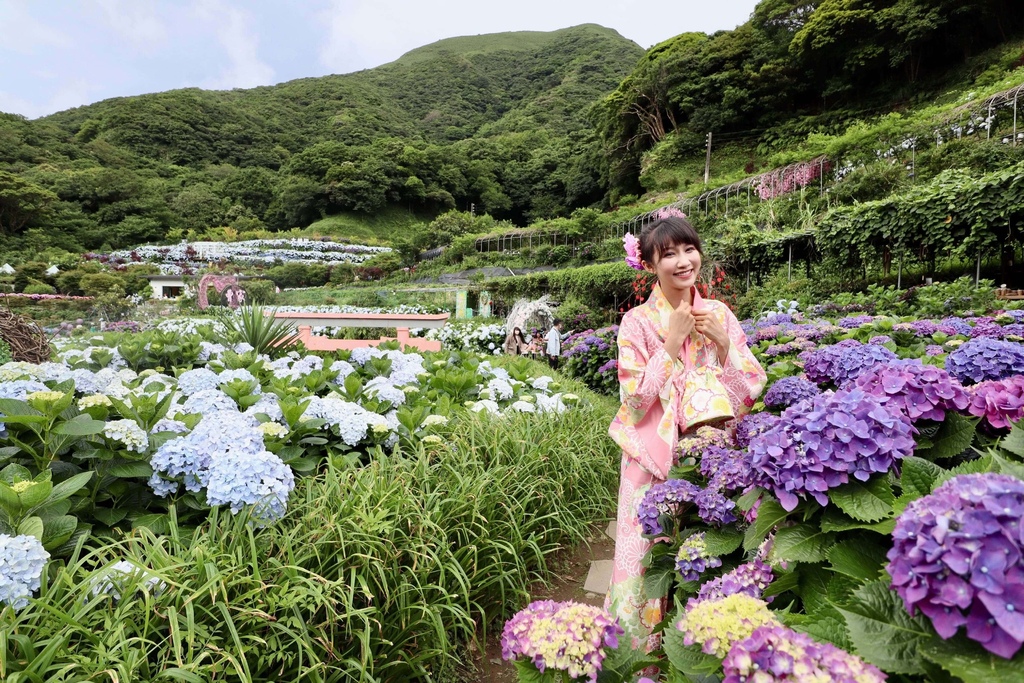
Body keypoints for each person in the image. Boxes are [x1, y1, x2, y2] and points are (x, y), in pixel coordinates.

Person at [606, 212, 766, 652]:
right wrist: (671, 344)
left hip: (713, 453)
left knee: (709, 550)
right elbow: (634, 401)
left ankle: (700, 652)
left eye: (688, 249)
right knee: (647, 558)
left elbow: (751, 385)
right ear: (650, 265)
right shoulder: (637, 322)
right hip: (653, 459)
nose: (682, 261)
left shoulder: (718, 313)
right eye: (669, 254)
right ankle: (639, 659)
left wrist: (724, 344)